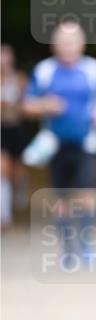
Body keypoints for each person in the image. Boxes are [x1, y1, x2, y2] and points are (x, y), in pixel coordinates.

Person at [22, 21, 96, 264]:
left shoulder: (94, 69)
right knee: (62, 199)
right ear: (55, 45)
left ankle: (86, 245)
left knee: (86, 194)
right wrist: (45, 105)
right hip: (55, 143)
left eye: (72, 42)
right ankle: (68, 250)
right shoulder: (44, 70)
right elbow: (27, 105)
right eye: (63, 42)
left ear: (82, 44)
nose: (68, 47)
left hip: (86, 143)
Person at [0, 44, 28, 228]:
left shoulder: (20, 78)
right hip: (1, 128)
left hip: (16, 128)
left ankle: (18, 191)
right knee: (3, 168)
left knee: (16, 170)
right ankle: (4, 213)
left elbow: (27, 102)